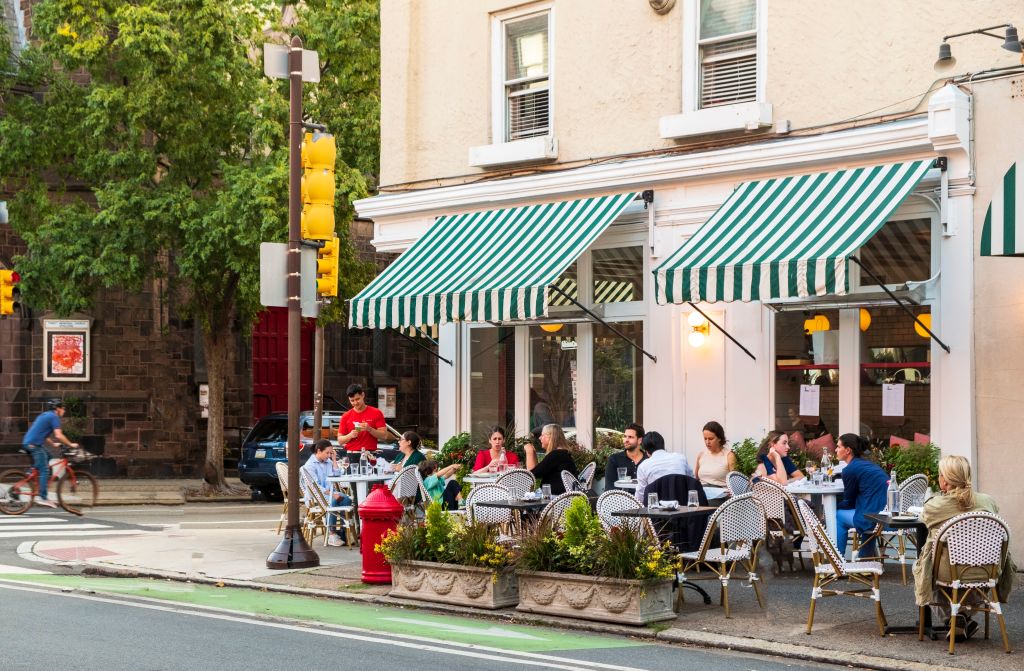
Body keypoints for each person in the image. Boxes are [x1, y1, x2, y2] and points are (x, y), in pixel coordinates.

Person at [912, 455, 1015, 637]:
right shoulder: (987, 501)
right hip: (986, 569)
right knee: (971, 580)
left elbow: (926, 520)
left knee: (925, 570)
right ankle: (962, 617)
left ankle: (954, 619)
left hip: (949, 571)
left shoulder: (936, 506)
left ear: (944, 480)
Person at [834, 433, 887, 558]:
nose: (836, 450)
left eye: (838, 447)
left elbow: (849, 501)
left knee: (838, 515)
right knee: (863, 511)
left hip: (873, 516)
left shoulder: (850, 469)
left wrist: (832, 506)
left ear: (847, 450)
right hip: (885, 514)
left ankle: (837, 560)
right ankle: (865, 558)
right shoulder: (867, 464)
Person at [22, 399, 79, 508]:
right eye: (63, 408)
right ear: (57, 409)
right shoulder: (54, 417)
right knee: (45, 469)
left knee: (49, 456)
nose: (64, 410)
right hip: (33, 445)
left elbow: (44, 433)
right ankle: (43, 497)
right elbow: (59, 435)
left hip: (31, 442)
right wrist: (71, 444)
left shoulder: (45, 415)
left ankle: (31, 472)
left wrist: (53, 444)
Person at [301, 440, 353, 546]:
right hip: (316, 496)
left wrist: (334, 460)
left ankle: (343, 533)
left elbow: (337, 474)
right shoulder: (310, 465)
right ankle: (332, 534)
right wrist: (333, 494)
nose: (329, 455)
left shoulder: (328, 461)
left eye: (331, 453)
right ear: (319, 451)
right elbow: (315, 487)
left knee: (347, 499)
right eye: (327, 453)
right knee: (333, 501)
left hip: (329, 493)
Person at [634, 431, 693, 503]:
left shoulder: (643, 466)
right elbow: (692, 480)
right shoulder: (680, 458)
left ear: (646, 451)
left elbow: (640, 495)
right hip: (684, 507)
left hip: (656, 510)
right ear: (663, 445)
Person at [524, 424, 577, 496]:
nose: (539, 438)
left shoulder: (555, 455)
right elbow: (538, 470)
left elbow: (531, 475)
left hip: (554, 498)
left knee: (524, 498)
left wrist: (529, 451)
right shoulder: (562, 453)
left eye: (542, 435)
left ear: (550, 437)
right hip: (561, 497)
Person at [338, 384, 388, 454]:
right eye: (352, 401)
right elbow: (340, 440)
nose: (355, 403)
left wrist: (369, 429)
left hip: (370, 453)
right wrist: (350, 435)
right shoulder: (346, 416)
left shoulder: (376, 412)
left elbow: (384, 436)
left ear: (363, 395)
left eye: (357, 399)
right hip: (352, 453)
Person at [603, 423, 647, 491]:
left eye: (630, 437)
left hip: (643, 500)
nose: (626, 440)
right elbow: (609, 488)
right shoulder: (614, 459)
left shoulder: (648, 460)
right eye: (625, 436)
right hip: (621, 500)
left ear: (640, 440)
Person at [694, 420, 736, 488]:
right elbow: (696, 479)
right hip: (702, 492)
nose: (707, 442)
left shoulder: (729, 455)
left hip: (721, 494)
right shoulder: (701, 455)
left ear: (719, 438)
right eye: (705, 439)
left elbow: (735, 481)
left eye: (711, 439)